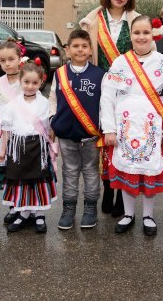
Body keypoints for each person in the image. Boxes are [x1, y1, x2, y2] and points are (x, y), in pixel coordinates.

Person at [100, 15, 163, 236]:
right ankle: (128, 214)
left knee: (148, 172)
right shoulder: (120, 62)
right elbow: (107, 96)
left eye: (146, 32)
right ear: (131, 35)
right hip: (124, 125)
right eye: (137, 32)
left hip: (152, 126)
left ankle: (148, 215)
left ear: (153, 34)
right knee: (127, 168)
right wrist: (108, 128)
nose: (141, 36)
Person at [79, 0, 140, 219]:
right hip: (99, 87)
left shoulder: (135, 21)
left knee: (123, 137)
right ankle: (107, 189)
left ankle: (119, 188)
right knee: (104, 138)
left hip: (127, 89)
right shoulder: (93, 19)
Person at [49, 29, 105, 230]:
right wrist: (52, 122)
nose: (80, 50)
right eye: (75, 46)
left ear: (90, 50)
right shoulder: (60, 74)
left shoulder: (100, 75)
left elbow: (104, 105)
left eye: (84, 46)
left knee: (91, 172)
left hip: (90, 136)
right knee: (70, 172)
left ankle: (90, 208)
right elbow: (53, 100)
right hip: (66, 135)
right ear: (68, 50)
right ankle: (69, 209)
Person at [0, 61, 57, 234]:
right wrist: (3, 150)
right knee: (21, 181)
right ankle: (23, 213)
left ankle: (39, 215)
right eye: (26, 82)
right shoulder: (11, 105)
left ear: (41, 83)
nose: (30, 86)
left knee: (38, 181)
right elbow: (6, 130)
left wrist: (53, 148)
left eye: (34, 83)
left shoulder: (45, 103)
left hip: (39, 147)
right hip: (18, 148)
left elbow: (50, 128)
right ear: (20, 82)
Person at [0, 39, 26, 225]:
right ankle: (13, 206)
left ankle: (27, 207)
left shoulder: (26, 80)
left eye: (11, 59)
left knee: (23, 171)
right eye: (3, 60)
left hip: (23, 132)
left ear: (19, 58)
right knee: (8, 172)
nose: (7, 63)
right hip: (1, 134)